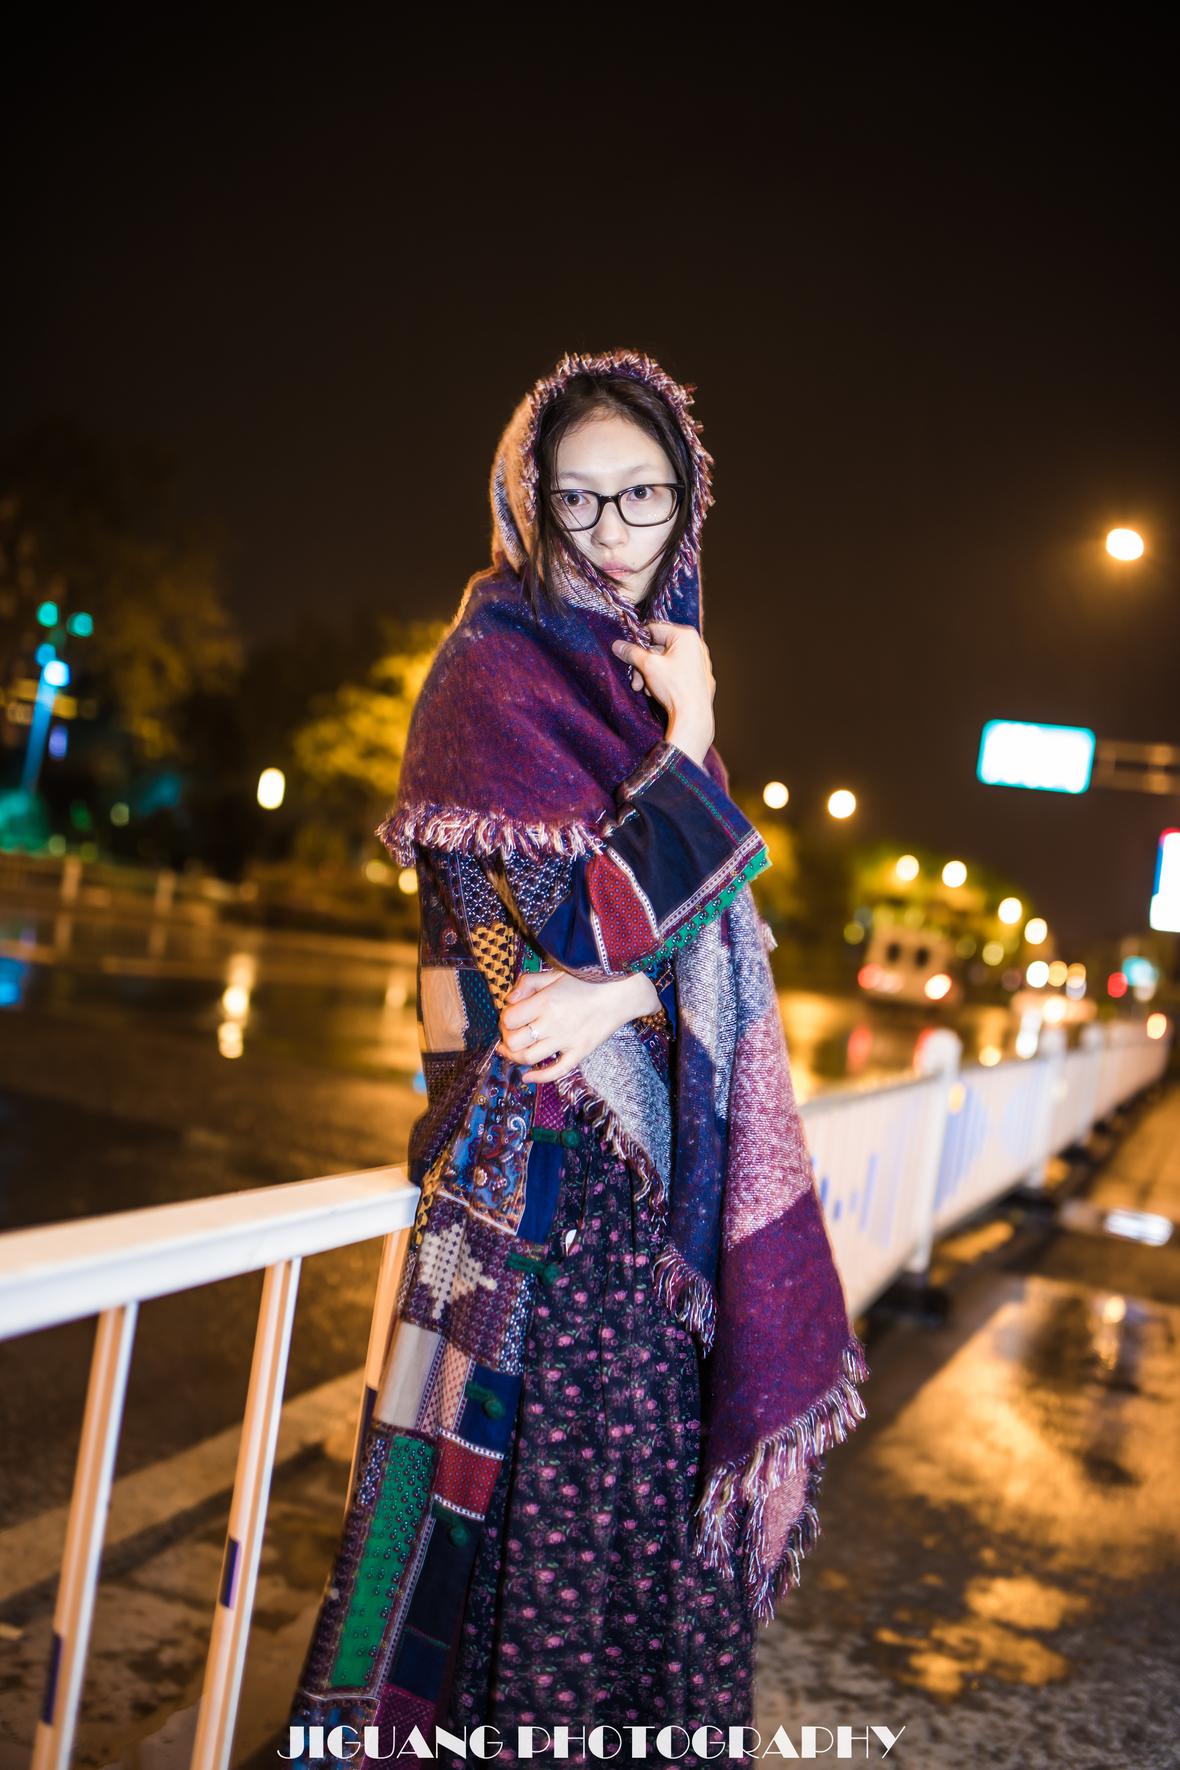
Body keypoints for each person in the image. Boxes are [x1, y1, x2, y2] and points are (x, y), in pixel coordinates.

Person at [284, 349, 869, 1767]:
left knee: (650, 1586)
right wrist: (700, 741)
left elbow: (702, 959)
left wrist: (630, 993)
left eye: (643, 495)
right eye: (579, 496)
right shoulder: (488, 676)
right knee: (519, 1583)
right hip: (534, 1221)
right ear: (526, 500)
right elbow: (542, 966)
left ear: (688, 504)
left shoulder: (650, 691)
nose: (612, 530)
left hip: (660, 1244)